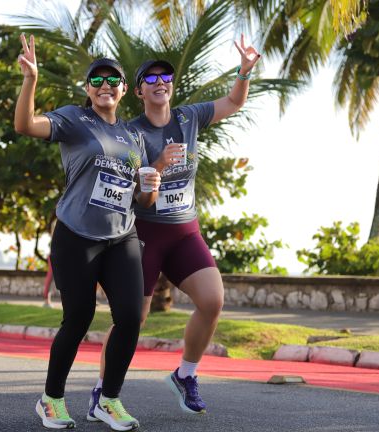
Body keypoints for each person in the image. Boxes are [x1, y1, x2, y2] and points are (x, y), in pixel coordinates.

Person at [90, 34, 261, 417]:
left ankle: (186, 375)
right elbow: (136, 195)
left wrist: (244, 72)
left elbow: (234, 101)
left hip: (185, 230)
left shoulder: (189, 116)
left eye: (165, 75)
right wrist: (161, 166)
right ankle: (102, 392)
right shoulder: (132, 132)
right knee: (132, 318)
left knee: (213, 300)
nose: (160, 82)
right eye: (150, 79)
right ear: (138, 91)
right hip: (146, 234)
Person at [14, 34, 160, 431]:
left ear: (124, 90)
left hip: (121, 236)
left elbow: (141, 202)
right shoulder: (74, 120)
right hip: (77, 234)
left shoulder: (135, 138)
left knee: (130, 317)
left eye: (112, 81)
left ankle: (108, 400)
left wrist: (150, 189)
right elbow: (25, 124)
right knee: (78, 318)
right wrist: (31, 80)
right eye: (97, 81)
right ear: (87, 89)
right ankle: (51, 400)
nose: (105, 87)